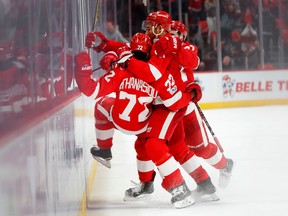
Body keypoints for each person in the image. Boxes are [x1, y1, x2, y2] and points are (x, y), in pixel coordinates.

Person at [76, 33, 196, 208]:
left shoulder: (120, 69)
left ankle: (104, 150)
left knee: (101, 106)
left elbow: (91, 91)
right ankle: (179, 188)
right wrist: (191, 94)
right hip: (142, 125)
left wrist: (82, 68)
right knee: (150, 145)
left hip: (118, 121)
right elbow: (174, 102)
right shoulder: (159, 76)